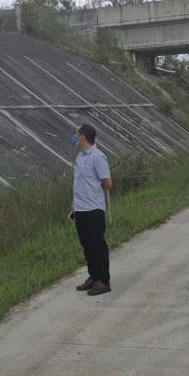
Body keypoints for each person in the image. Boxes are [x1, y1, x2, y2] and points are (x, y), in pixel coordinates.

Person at [71, 123, 114, 296]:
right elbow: (78, 183)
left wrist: (93, 193)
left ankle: (103, 280)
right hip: (80, 209)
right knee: (86, 244)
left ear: (82, 136)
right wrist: (74, 203)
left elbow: (108, 183)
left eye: (76, 134)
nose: (74, 137)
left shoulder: (98, 157)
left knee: (97, 245)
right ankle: (93, 276)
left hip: (94, 208)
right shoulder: (80, 158)